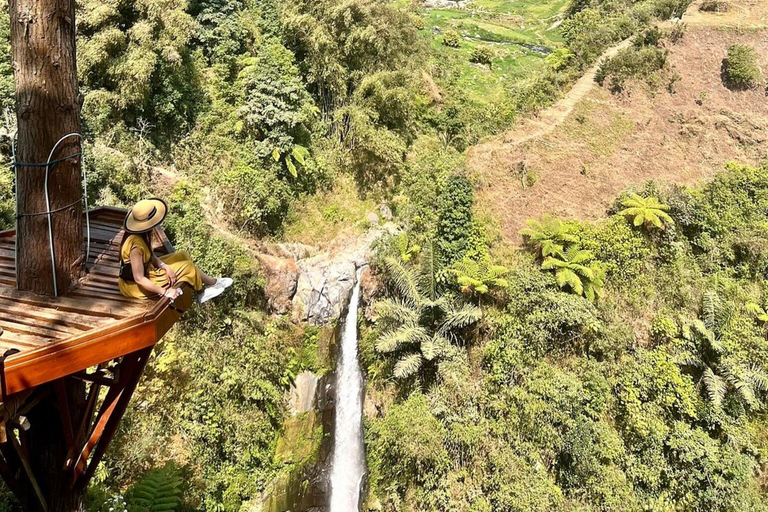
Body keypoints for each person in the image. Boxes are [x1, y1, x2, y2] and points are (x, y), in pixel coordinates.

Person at [118, 198, 233, 304]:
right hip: (133, 286)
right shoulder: (135, 247)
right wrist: (164, 291)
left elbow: (151, 257)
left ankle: (212, 282)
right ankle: (202, 291)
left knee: (182, 255)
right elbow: (139, 279)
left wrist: (166, 267)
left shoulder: (142, 236)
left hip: (147, 270)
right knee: (188, 267)